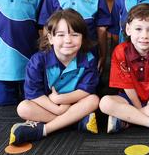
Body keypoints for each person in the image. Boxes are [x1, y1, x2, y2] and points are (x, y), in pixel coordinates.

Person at [9, 9, 100, 145]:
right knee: (23, 108)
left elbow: (87, 90)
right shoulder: (38, 61)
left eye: (75, 34)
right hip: (47, 105)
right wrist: (57, 108)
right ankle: (76, 122)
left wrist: (60, 99)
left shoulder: (89, 59)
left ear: (82, 37)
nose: (68, 40)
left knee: (93, 100)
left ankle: (44, 129)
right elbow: (34, 93)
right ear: (51, 38)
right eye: (61, 35)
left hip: (74, 104)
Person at [99, 4, 149, 134]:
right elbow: (127, 85)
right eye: (138, 29)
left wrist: (147, 106)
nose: (144, 36)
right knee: (104, 103)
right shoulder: (120, 51)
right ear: (128, 29)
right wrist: (137, 105)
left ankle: (127, 120)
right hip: (129, 99)